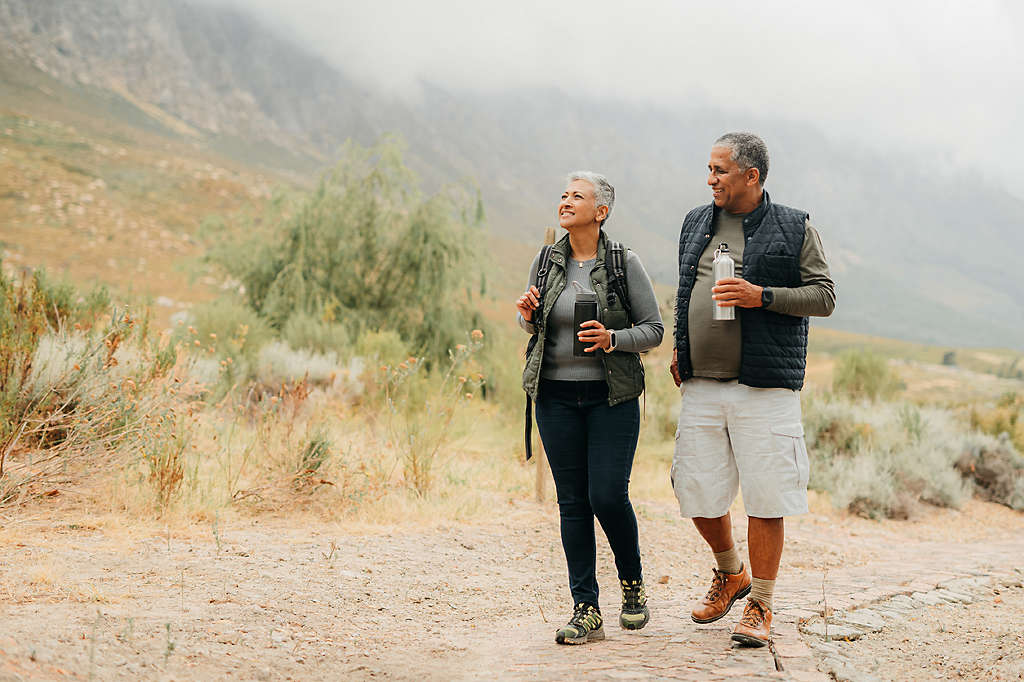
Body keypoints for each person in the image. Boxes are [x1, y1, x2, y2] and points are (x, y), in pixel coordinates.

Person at [669, 133, 836, 647]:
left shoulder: (794, 226)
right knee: (694, 490)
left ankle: (760, 604)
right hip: (701, 384)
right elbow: (686, 289)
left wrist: (759, 296)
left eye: (720, 170)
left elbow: (823, 296)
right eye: (709, 169)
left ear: (751, 176)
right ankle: (730, 572)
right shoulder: (696, 221)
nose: (710, 178)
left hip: (764, 387)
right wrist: (681, 346)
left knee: (766, 499)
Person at [517, 171, 664, 645]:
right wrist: (526, 315)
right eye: (563, 194)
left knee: (606, 496)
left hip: (611, 398)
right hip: (555, 397)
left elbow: (654, 329)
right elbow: (534, 326)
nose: (565, 201)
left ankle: (632, 585)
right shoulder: (546, 259)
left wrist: (612, 338)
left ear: (600, 211)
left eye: (577, 196)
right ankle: (586, 609)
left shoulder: (624, 263)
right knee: (573, 503)